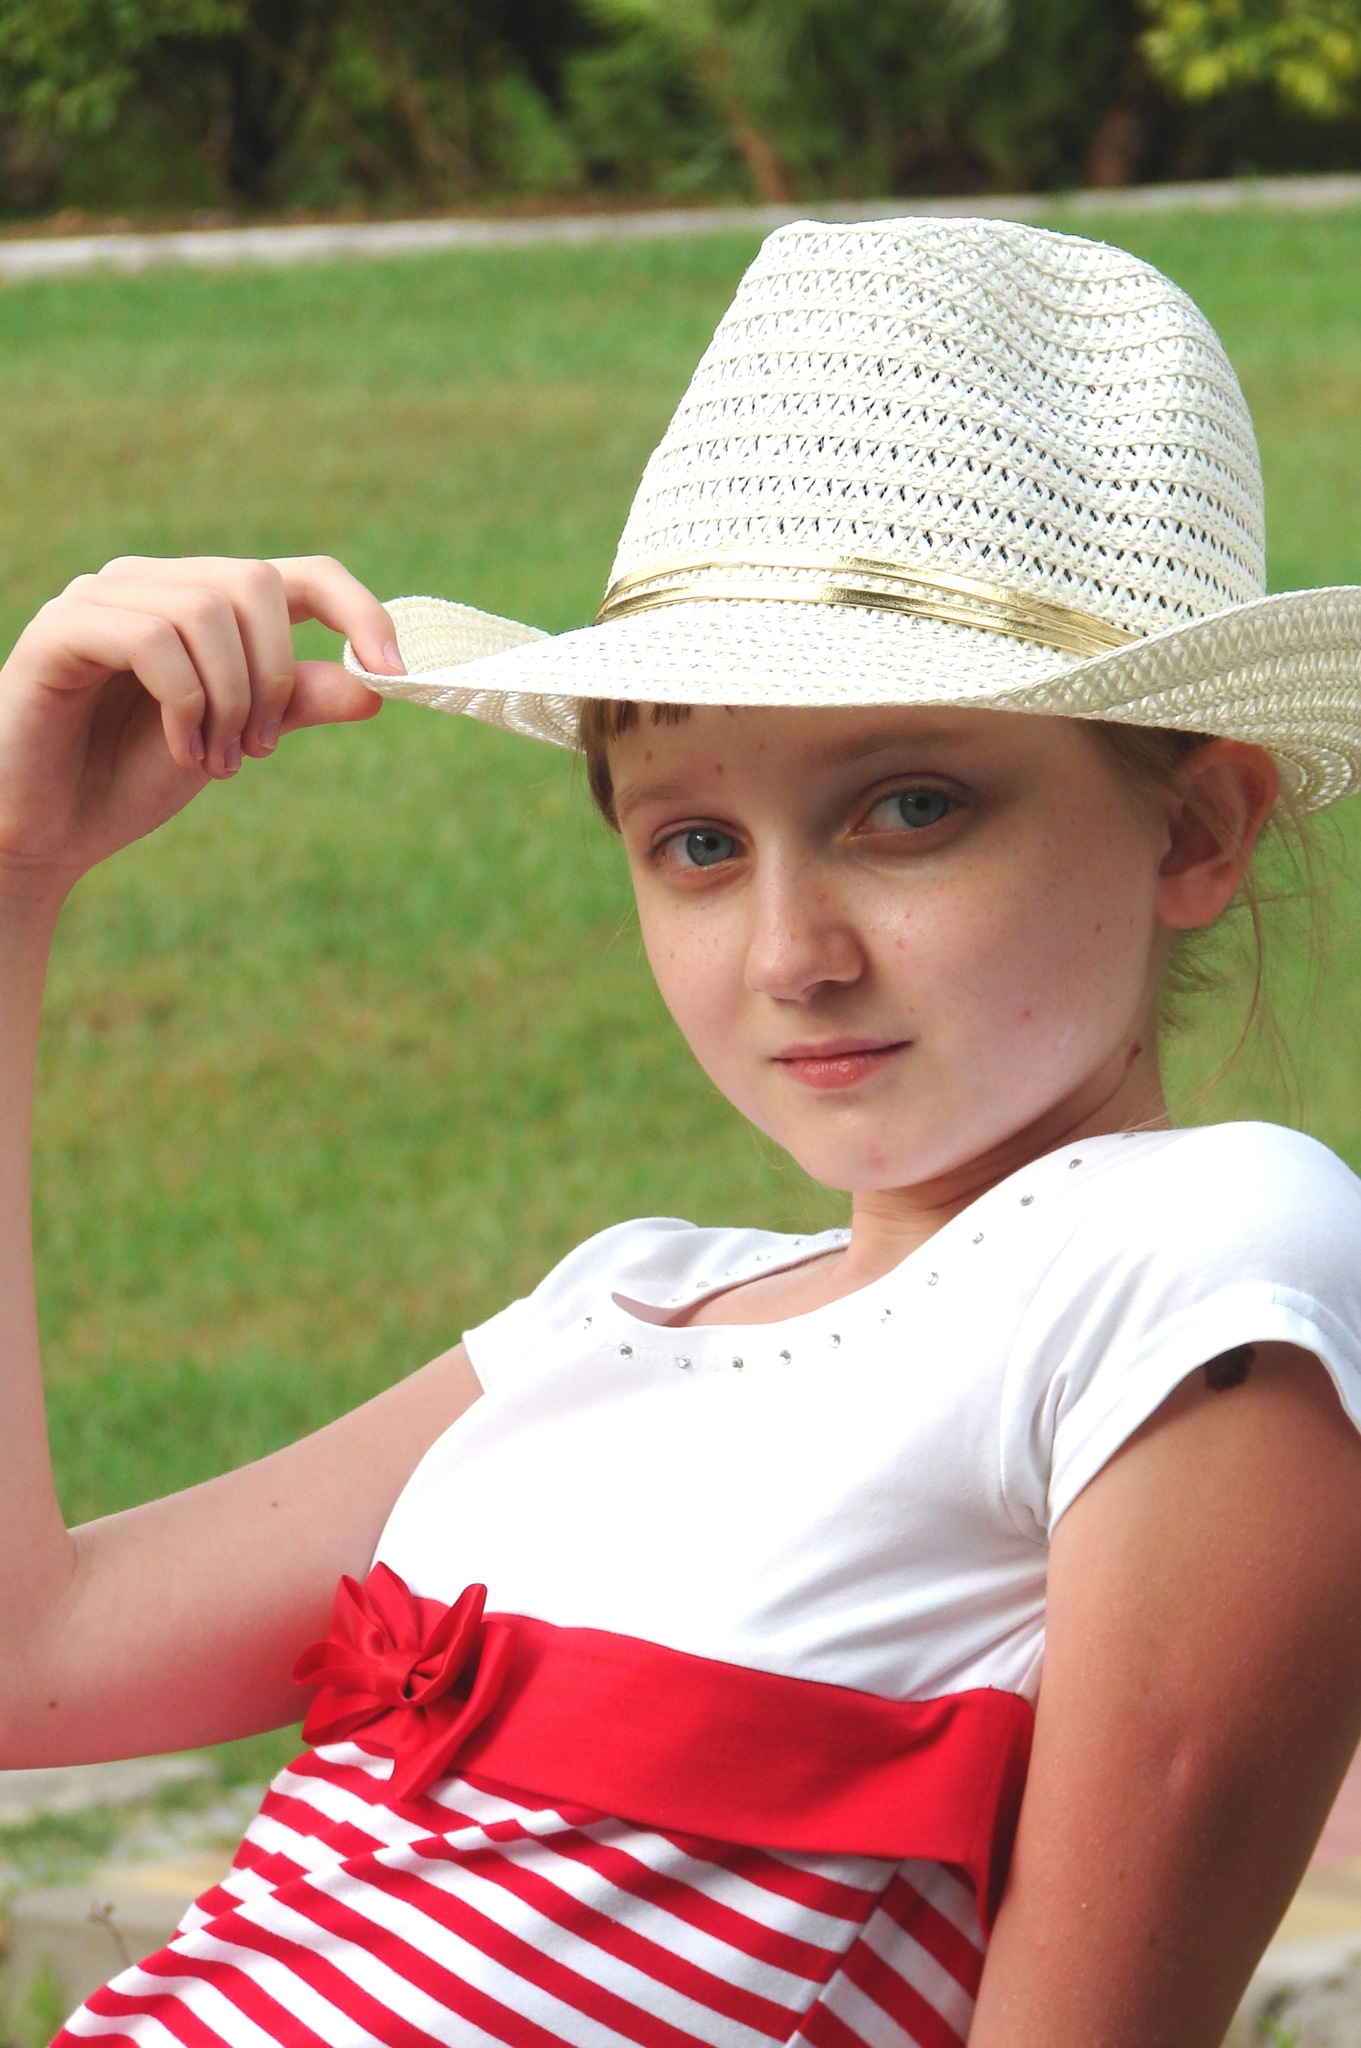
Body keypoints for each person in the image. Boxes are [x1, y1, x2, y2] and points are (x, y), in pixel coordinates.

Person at [2, 215, 1361, 2048]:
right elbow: (32, 1663)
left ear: (1193, 831)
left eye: (909, 807)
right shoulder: (613, 1313)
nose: (791, 955)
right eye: (696, 844)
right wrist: (14, 874)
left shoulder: (1192, 1252)